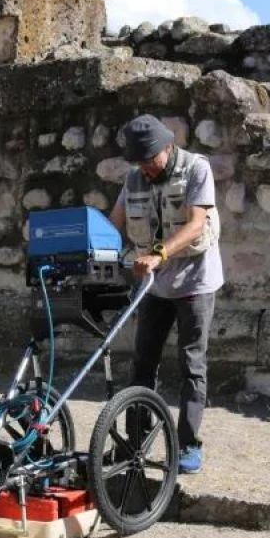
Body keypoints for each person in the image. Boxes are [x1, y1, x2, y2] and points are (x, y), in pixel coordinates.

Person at [108, 114, 223, 475]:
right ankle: (134, 444)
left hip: (195, 282)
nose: (146, 168)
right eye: (139, 162)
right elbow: (114, 224)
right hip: (154, 286)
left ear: (167, 147)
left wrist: (158, 254)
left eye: (150, 160)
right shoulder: (133, 178)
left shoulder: (196, 169)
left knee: (191, 363)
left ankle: (188, 444)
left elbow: (196, 223)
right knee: (143, 362)